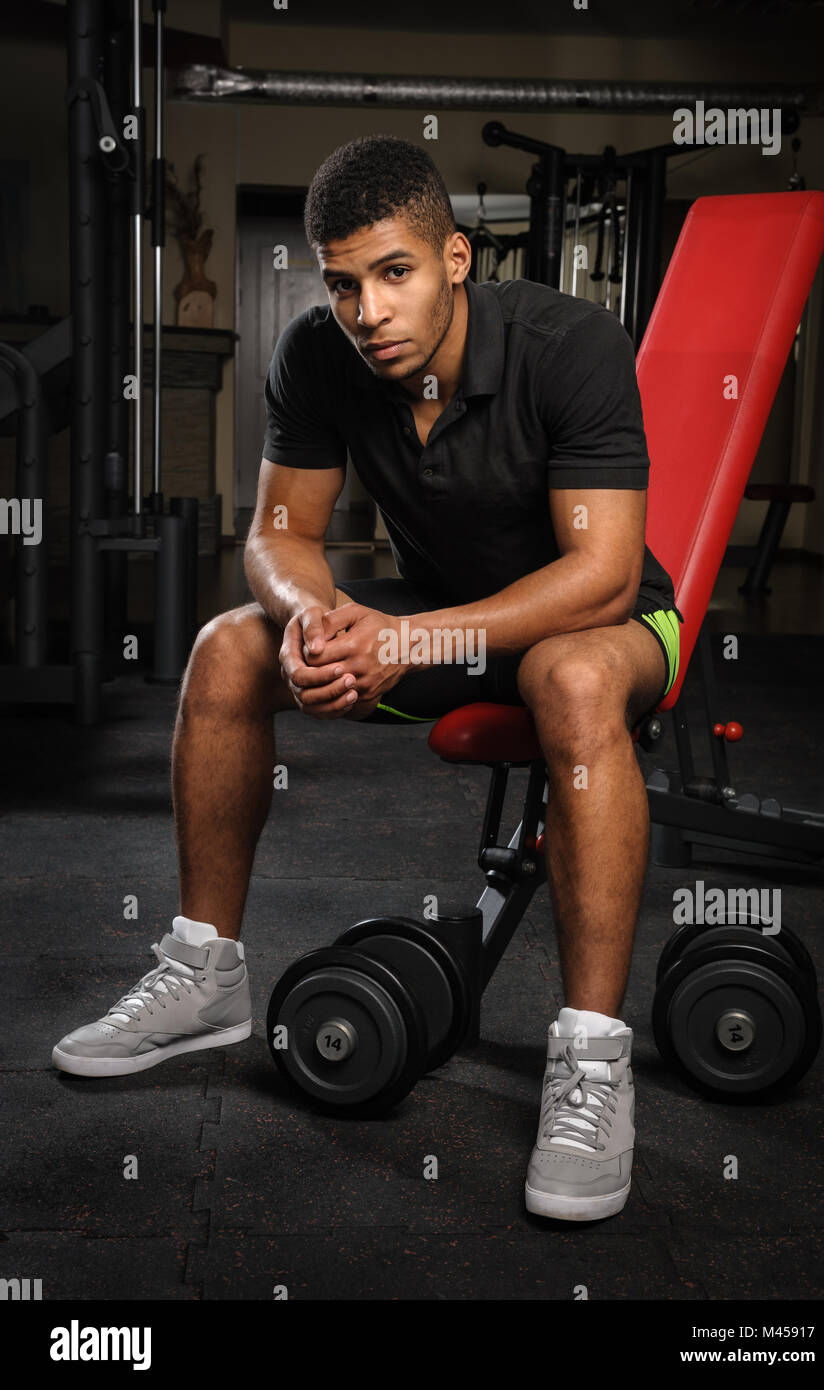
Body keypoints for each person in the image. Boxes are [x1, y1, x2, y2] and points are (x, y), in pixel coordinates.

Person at [53, 134, 683, 1224]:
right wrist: (314, 619)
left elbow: (603, 573)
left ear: (454, 257)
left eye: (393, 274)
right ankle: (205, 974)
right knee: (227, 644)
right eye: (343, 283)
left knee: (570, 677)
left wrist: (412, 638)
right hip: (444, 629)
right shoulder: (318, 354)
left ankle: (588, 1061)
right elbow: (279, 535)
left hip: (612, 627)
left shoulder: (567, 344)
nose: (367, 310)